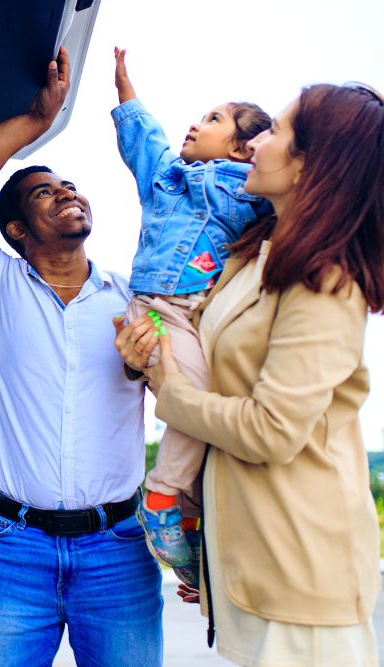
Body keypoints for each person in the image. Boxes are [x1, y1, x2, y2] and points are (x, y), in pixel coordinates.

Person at [115, 82, 384, 667]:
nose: (258, 143)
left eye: (276, 131)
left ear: (310, 163)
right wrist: (144, 362)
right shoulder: (252, 258)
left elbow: (270, 429)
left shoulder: (327, 279)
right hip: (249, 564)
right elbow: (209, 371)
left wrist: (172, 396)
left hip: (300, 574)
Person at [0, 48, 162, 667]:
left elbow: (186, 394)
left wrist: (148, 368)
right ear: (13, 230)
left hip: (119, 549)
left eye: (68, 185)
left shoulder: (135, 298)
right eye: (41, 192)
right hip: (13, 551)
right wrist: (38, 120)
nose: (64, 191)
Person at [111, 47, 271, 577]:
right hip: (158, 309)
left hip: (199, 317)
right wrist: (126, 92)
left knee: (213, 413)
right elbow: (146, 144)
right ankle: (161, 498)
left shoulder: (254, 190)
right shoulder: (169, 180)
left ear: (246, 147)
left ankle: (192, 539)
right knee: (197, 401)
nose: (196, 124)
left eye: (213, 118)